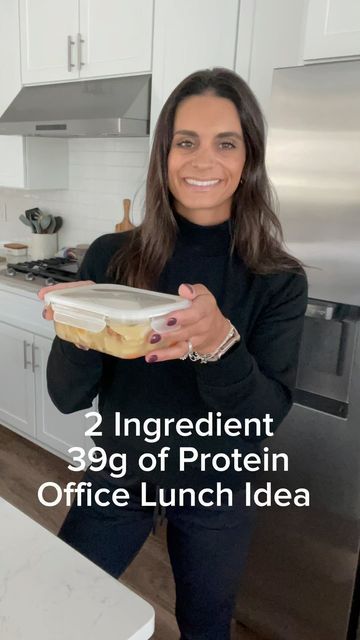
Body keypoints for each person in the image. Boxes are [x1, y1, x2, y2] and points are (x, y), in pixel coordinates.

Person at [38, 67, 308, 640]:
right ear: (164, 154)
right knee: (61, 609)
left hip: (219, 487)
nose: (202, 161)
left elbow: (262, 419)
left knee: (205, 627)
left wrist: (219, 344)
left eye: (225, 143)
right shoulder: (110, 259)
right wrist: (78, 326)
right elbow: (66, 397)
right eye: (186, 142)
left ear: (248, 158)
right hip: (122, 472)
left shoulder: (277, 280)